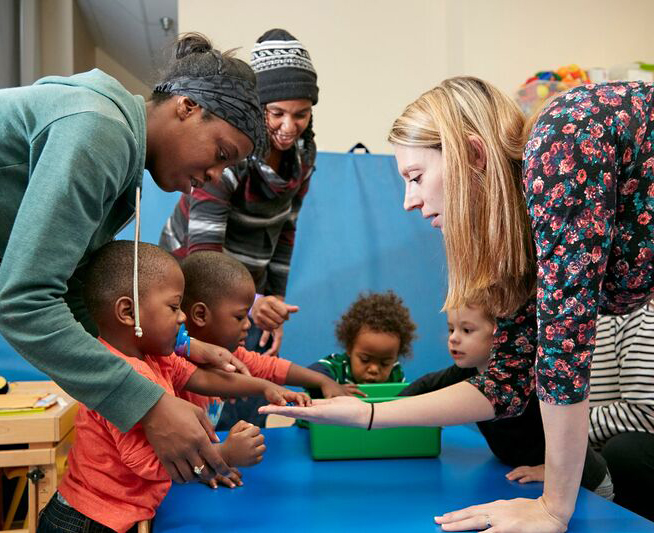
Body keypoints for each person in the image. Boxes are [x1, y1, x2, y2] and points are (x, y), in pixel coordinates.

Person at [260, 78, 654, 532]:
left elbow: (565, 353)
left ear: (472, 154)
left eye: (415, 177)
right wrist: (368, 414)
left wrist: (553, 508)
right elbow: (504, 383)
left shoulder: (559, 144)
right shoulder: (527, 237)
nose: (409, 201)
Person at [0, 32, 268, 486]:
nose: (212, 177)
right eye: (220, 154)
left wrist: (179, 345)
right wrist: (150, 405)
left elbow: (77, 296)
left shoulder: (123, 161)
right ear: (186, 106)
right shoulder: (98, 130)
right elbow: (24, 301)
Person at [36, 241, 309, 533]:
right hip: (87, 523)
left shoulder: (156, 355)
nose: (182, 317)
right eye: (174, 307)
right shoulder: (119, 379)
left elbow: (201, 379)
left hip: (114, 516)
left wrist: (263, 387)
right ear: (129, 313)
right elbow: (149, 463)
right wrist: (224, 455)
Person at [160, 28, 320, 358]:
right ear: (258, 107)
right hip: (195, 277)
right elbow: (204, 257)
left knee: (248, 375)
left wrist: (272, 304)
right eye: (276, 113)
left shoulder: (303, 159)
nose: (289, 127)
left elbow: (285, 232)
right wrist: (251, 303)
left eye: (300, 114)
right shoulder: (229, 155)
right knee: (200, 370)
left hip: (245, 286)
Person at [401, 304, 613, 499]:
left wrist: (553, 471)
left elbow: (569, 428)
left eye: (466, 330)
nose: (453, 339)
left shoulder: (527, 379)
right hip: (531, 482)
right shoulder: (466, 372)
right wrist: (380, 406)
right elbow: (426, 386)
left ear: (500, 334)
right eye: (451, 329)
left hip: (584, 482)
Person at [506, 299, 654, 520]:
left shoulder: (637, 315)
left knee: (624, 451)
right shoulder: (566, 316)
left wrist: (564, 436)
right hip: (588, 447)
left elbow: (645, 412)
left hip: (619, 450)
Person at [178, 250, 350, 429]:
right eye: (239, 317)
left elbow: (271, 367)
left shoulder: (232, 355)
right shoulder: (174, 362)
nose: (247, 325)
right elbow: (204, 380)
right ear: (200, 314)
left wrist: (323, 380)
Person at [308, 291, 416, 391]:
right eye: (365, 359)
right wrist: (330, 384)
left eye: (385, 363)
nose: (374, 369)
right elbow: (310, 375)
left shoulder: (395, 373)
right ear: (349, 348)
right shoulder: (338, 367)